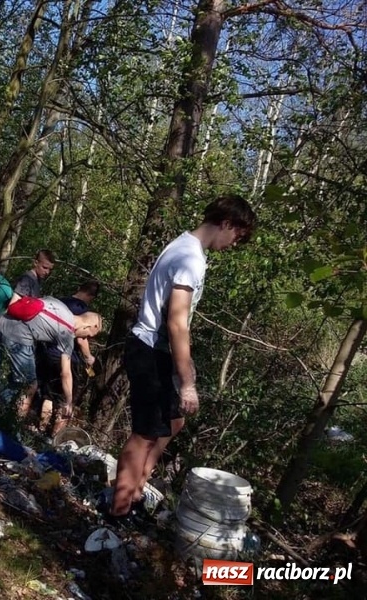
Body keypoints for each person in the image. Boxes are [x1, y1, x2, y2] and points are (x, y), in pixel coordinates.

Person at [105, 195, 256, 524]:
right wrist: (186, 383)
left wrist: (183, 364)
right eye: (237, 236)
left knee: (174, 422)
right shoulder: (189, 258)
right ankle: (117, 514)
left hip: (159, 351)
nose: (234, 244)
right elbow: (176, 321)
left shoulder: (187, 248)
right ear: (227, 223)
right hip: (149, 349)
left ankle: (135, 490)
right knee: (144, 433)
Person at [0, 297, 102, 423]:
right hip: (18, 337)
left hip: (3, 322)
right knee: (30, 385)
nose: (86, 338)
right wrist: (69, 402)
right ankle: (8, 424)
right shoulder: (67, 334)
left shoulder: (60, 306)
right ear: (90, 326)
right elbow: (65, 373)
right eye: (89, 336)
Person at [36, 280, 100, 432]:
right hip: (68, 357)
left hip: (48, 352)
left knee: (49, 395)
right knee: (66, 399)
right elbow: (80, 337)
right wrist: (88, 357)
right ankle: (54, 437)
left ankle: (41, 429)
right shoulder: (82, 309)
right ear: (91, 296)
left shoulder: (62, 302)